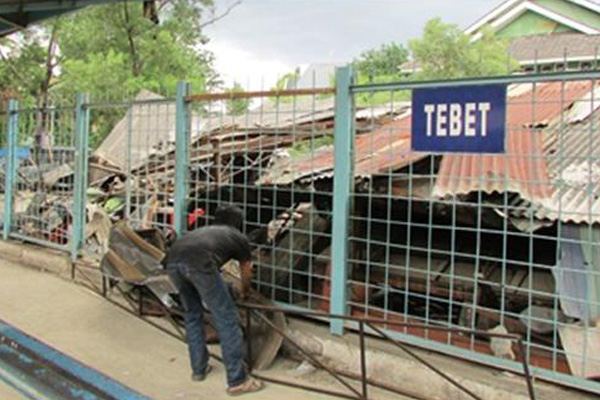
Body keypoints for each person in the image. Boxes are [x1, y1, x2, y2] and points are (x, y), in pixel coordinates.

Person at [164, 205, 264, 396]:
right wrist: (245, 292)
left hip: (173, 262)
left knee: (192, 315)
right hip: (200, 263)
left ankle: (199, 369)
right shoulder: (237, 237)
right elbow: (246, 271)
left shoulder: (203, 232)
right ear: (239, 223)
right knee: (227, 319)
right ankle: (237, 380)